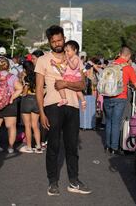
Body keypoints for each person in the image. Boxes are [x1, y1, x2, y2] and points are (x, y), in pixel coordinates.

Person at [35, 25, 91, 196]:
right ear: (50, 42)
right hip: (52, 106)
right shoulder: (43, 60)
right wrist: (42, 113)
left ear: (64, 38)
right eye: (53, 41)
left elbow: (82, 85)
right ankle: (53, 182)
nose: (57, 44)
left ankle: (74, 181)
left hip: (73, 106)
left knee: (72, 146)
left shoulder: (74, 58)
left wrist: (66, 83)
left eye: (59, 40)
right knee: (53, 145)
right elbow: (38, 88)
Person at [103, 46, 136, 155]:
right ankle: (114, 147)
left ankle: (107, 145)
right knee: (116, 122)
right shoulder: (128, 68)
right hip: (120, 97)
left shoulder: (110, 65)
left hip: (107, 96)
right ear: (128, 56)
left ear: (120, 54)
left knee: (109, 121)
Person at [0, 58, 23, 154]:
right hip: (9, 104)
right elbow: (20, 88)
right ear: (8, 66)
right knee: (11, 126)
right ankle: (10, 147)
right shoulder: (12, 77)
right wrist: (12, 98)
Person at [51, 40, 86, 108]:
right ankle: (67, 99)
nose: (66, 53)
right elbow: (63, 67)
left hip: (73, 77)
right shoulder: (69, 59)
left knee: (75, 89)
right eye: (65, 51)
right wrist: (56, 64)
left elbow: (73, 67)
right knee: (62, 86)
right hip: (68, 76)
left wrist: (68, 60)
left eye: (68, 51)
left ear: (75, 50)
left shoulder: (76, 58)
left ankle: (82, 100)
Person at [19, 60, 43, 153]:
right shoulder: (37, 76)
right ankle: (38, 146)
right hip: (36, 100)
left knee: (27, 126)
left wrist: (23, 83)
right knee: (35, 125)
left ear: (25, 68)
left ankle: (29, 147)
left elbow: (24, 92)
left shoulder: (27, 77)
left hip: (27, 101)